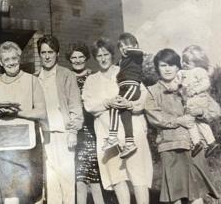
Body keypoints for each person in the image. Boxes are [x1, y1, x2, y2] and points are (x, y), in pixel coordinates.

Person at [144, 48, 220, 204]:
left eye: (171, 65)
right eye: (163, 65)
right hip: (170, 146)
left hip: (194, 146)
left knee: (196, 194)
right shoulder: (152, 91)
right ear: (157, 68)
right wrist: (180, 121)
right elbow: (155, 118)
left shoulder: (189, 87)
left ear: (178, 67)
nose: (168, 69)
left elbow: (215, 111)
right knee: (175, 196)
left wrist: (200, 112)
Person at [82, 38, 152, 204]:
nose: (103, 58)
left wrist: (130, 103)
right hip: (108, 135)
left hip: (131, 132)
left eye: (106, 54)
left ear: (112, 55)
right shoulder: (91, 80)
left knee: (138, 174)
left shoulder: (123, 71)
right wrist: (106, 102)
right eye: (99, 56)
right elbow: (89, 105)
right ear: (95, 58)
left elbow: (143, 96)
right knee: (117, 176)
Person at [0, 41, 46, 204]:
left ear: (19, 58)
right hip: (2, 143)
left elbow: (41, 111)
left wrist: (18, 112)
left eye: (14, 58)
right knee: (7, 189)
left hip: (26, 144)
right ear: (0, 62)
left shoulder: (32, 80)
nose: (11, 62)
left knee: (26, 190)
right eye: (6, 60)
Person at [34, 35, 83, 204]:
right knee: (51, 178)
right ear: (39, 54)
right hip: (44, 134)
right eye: (43, 52)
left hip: (64, 133)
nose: (47, 56)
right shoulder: (35, 78)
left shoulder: (66, 75)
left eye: (51, 52)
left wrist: (73, 132)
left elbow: (75, 105)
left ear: (57, 53)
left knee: (67, 178)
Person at [65, 43, 104, 204]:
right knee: (79, 177)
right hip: (75, 131)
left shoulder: (94, 77)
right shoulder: (66, 77)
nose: (78, 60)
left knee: (95, 177)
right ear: (69, 59)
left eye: (81, 56)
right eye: (74, 57)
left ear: (86, 58)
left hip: (93, 129)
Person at [103, 33, 144, 159]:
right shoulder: (121, 61)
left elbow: (139, 52)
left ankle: (112, 137)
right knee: (124, 113)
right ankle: (130, 142)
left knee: (115, 106)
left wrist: (130, 49)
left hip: (132, 86)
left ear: (135, 46)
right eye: (121, 46)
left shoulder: (136, 57)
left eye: (127, 45)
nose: (124, 48)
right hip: (123, 88)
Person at [178, 45, 219, 157]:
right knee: (198, 122)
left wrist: (195, 90)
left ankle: (198, 142)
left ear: (197, 63)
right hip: (192, 100)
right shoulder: (186, 72)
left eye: (187, 62)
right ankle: (209, 142)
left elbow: (206, 83)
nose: (184, 64)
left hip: (197, 99)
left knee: (190, 121)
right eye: (183, 61)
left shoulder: (199, 70)